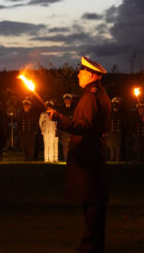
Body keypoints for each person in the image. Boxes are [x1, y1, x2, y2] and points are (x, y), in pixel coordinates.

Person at [48, 56, 111, 253]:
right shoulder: (96, 93)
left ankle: (91, 245)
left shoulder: (91, 96)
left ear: (91, 75)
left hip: (88, 156)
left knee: (92, 202)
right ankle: (93, 244)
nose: (78, 74)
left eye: (81, 71)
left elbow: (83, 126)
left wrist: (59, 118)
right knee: (93, 202)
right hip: (92, 154)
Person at [58, 94, 77, 161]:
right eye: (66, 100)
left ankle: (73, 160)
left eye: (68, 100)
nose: (67, 101)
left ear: (70, 100)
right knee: (65, 146)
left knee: (73, 146)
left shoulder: (74, 108)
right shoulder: (61, 109)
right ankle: (66, 159)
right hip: (64, 130)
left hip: (72, 130)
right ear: (64, 101)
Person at [107, 97, 125, 162]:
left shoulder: (122, 113)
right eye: (114, 104)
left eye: (116, 104)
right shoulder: (109, 113)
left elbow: (124, 123)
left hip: (118, 134)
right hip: (111, 133)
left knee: (118, 148)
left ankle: (118, 159)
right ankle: (112, 159)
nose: (115, 105)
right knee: (111, 148)